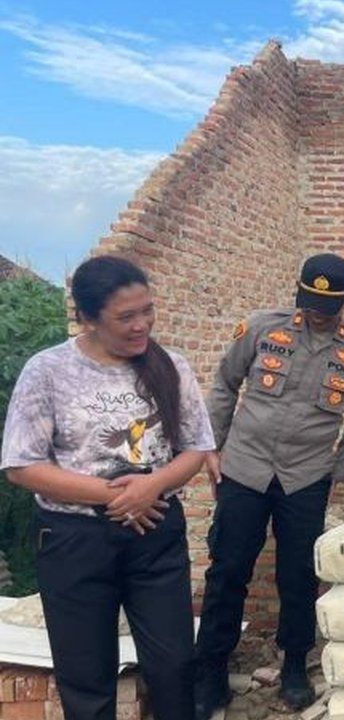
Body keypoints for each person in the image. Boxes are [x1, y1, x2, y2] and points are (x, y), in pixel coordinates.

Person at [1, 255, 215, 720]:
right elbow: (21, 465)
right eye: (126, 317)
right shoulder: (48, 370)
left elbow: (197, 449)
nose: (142, 325)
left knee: (174, 665)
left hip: (155, 535)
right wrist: (116, 496)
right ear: (88, 317)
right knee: (86, 675)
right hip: (74, 540)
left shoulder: (171, 366)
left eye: (148, 311)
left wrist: (152, 485)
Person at [193, 253, 344, 717]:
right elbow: (224, 384)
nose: (317, 312)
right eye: (310, 301)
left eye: (328, 305)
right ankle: (212, 670)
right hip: (245, 468)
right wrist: (211, 448)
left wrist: (342, 470)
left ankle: (295, 663)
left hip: (306, 475)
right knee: (227, 569)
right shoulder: (262, 328)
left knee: (298, 575)